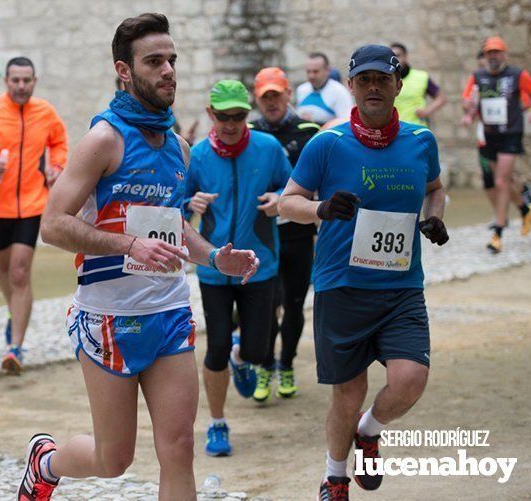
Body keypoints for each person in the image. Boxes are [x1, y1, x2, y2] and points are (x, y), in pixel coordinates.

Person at [16, 14, 259, 501]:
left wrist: (214, 258)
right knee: (114, 460)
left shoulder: (178, 148)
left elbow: (176, 228)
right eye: (154, 61)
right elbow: (53, 224)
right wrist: (128, 244)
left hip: (168, 313)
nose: (168, 70)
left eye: (172, 60)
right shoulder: (104, 140)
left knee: (178, 449)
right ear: (124, 71)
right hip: (109, 318)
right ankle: (46, 462)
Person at [278, 45, 449, 500]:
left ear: (397, 85)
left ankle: (369, 431)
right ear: (351, 86)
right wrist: (321, 207)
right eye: (365, 80)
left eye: (383, 79)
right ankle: (335, 476)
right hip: (342, 286)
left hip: (401, 287)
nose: (374, 87)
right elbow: (285, 202)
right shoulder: (328, 144)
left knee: (410, 381)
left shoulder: (420, 141)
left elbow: (434, 189)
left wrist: (434, 216)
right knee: (348, 393)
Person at [185, 79, 292, 455]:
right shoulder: (196, 155)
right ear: (211, 114)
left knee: (260, 349)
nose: (231, 124)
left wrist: (280, 198)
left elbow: (294, 188)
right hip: (213, 268)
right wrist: (190, 204)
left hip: (259, 265)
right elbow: (175, 209)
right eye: (223, 116)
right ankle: (217, 424)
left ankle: (241, 356)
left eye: (239, 116)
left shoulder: (268, 148)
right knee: (214, 346)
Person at [0, 57, 68, 374]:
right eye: (15, 80)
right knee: (4, 271)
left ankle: (15, 348)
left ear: (34, 81)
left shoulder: (46, 112)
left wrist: (57, 167)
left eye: (26, 80)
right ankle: (16, 313)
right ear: (6, 81)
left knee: (20, 272)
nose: (21, 86)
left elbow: (60, 143)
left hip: (33, 203)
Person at [249, 67, 320, 402]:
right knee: (265, 306)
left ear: (288, 94)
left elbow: (321, 183)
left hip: (297, 234)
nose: (272, 103)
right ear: (257, 100)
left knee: (293, 305)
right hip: (261, 235)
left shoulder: (308, 133)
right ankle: (264, 364)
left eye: (276, 95)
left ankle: (286, 363)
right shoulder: (246, 133)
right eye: (266, 98)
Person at [462, 37, 531, 252]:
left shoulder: (517, 75)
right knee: (501, 183)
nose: (493, 56)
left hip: (510, 134)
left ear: (504, 54)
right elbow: (468, 101)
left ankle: (498, 232)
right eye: (489, 53)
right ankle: (525, 208)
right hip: (489, 135)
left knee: (500, 180)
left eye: (497, 52)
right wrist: (468, 114)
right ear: (485, 56)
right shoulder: (477, 77)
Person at [390, 42, 446, 127]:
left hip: (416, 130)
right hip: (393, 130)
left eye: (398, 55)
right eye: (392, 57)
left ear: (405, 57)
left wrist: (427, 111)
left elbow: (441, 98)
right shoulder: (385, 79)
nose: (395, 59)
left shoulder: (421, 77)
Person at [296, 52, 353, 126]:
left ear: (327, 70)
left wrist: (317, 123)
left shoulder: (339, 92)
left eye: (315, 71)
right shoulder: (301, 90)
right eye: (308, 71)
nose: (311, 76)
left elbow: (346, 122)